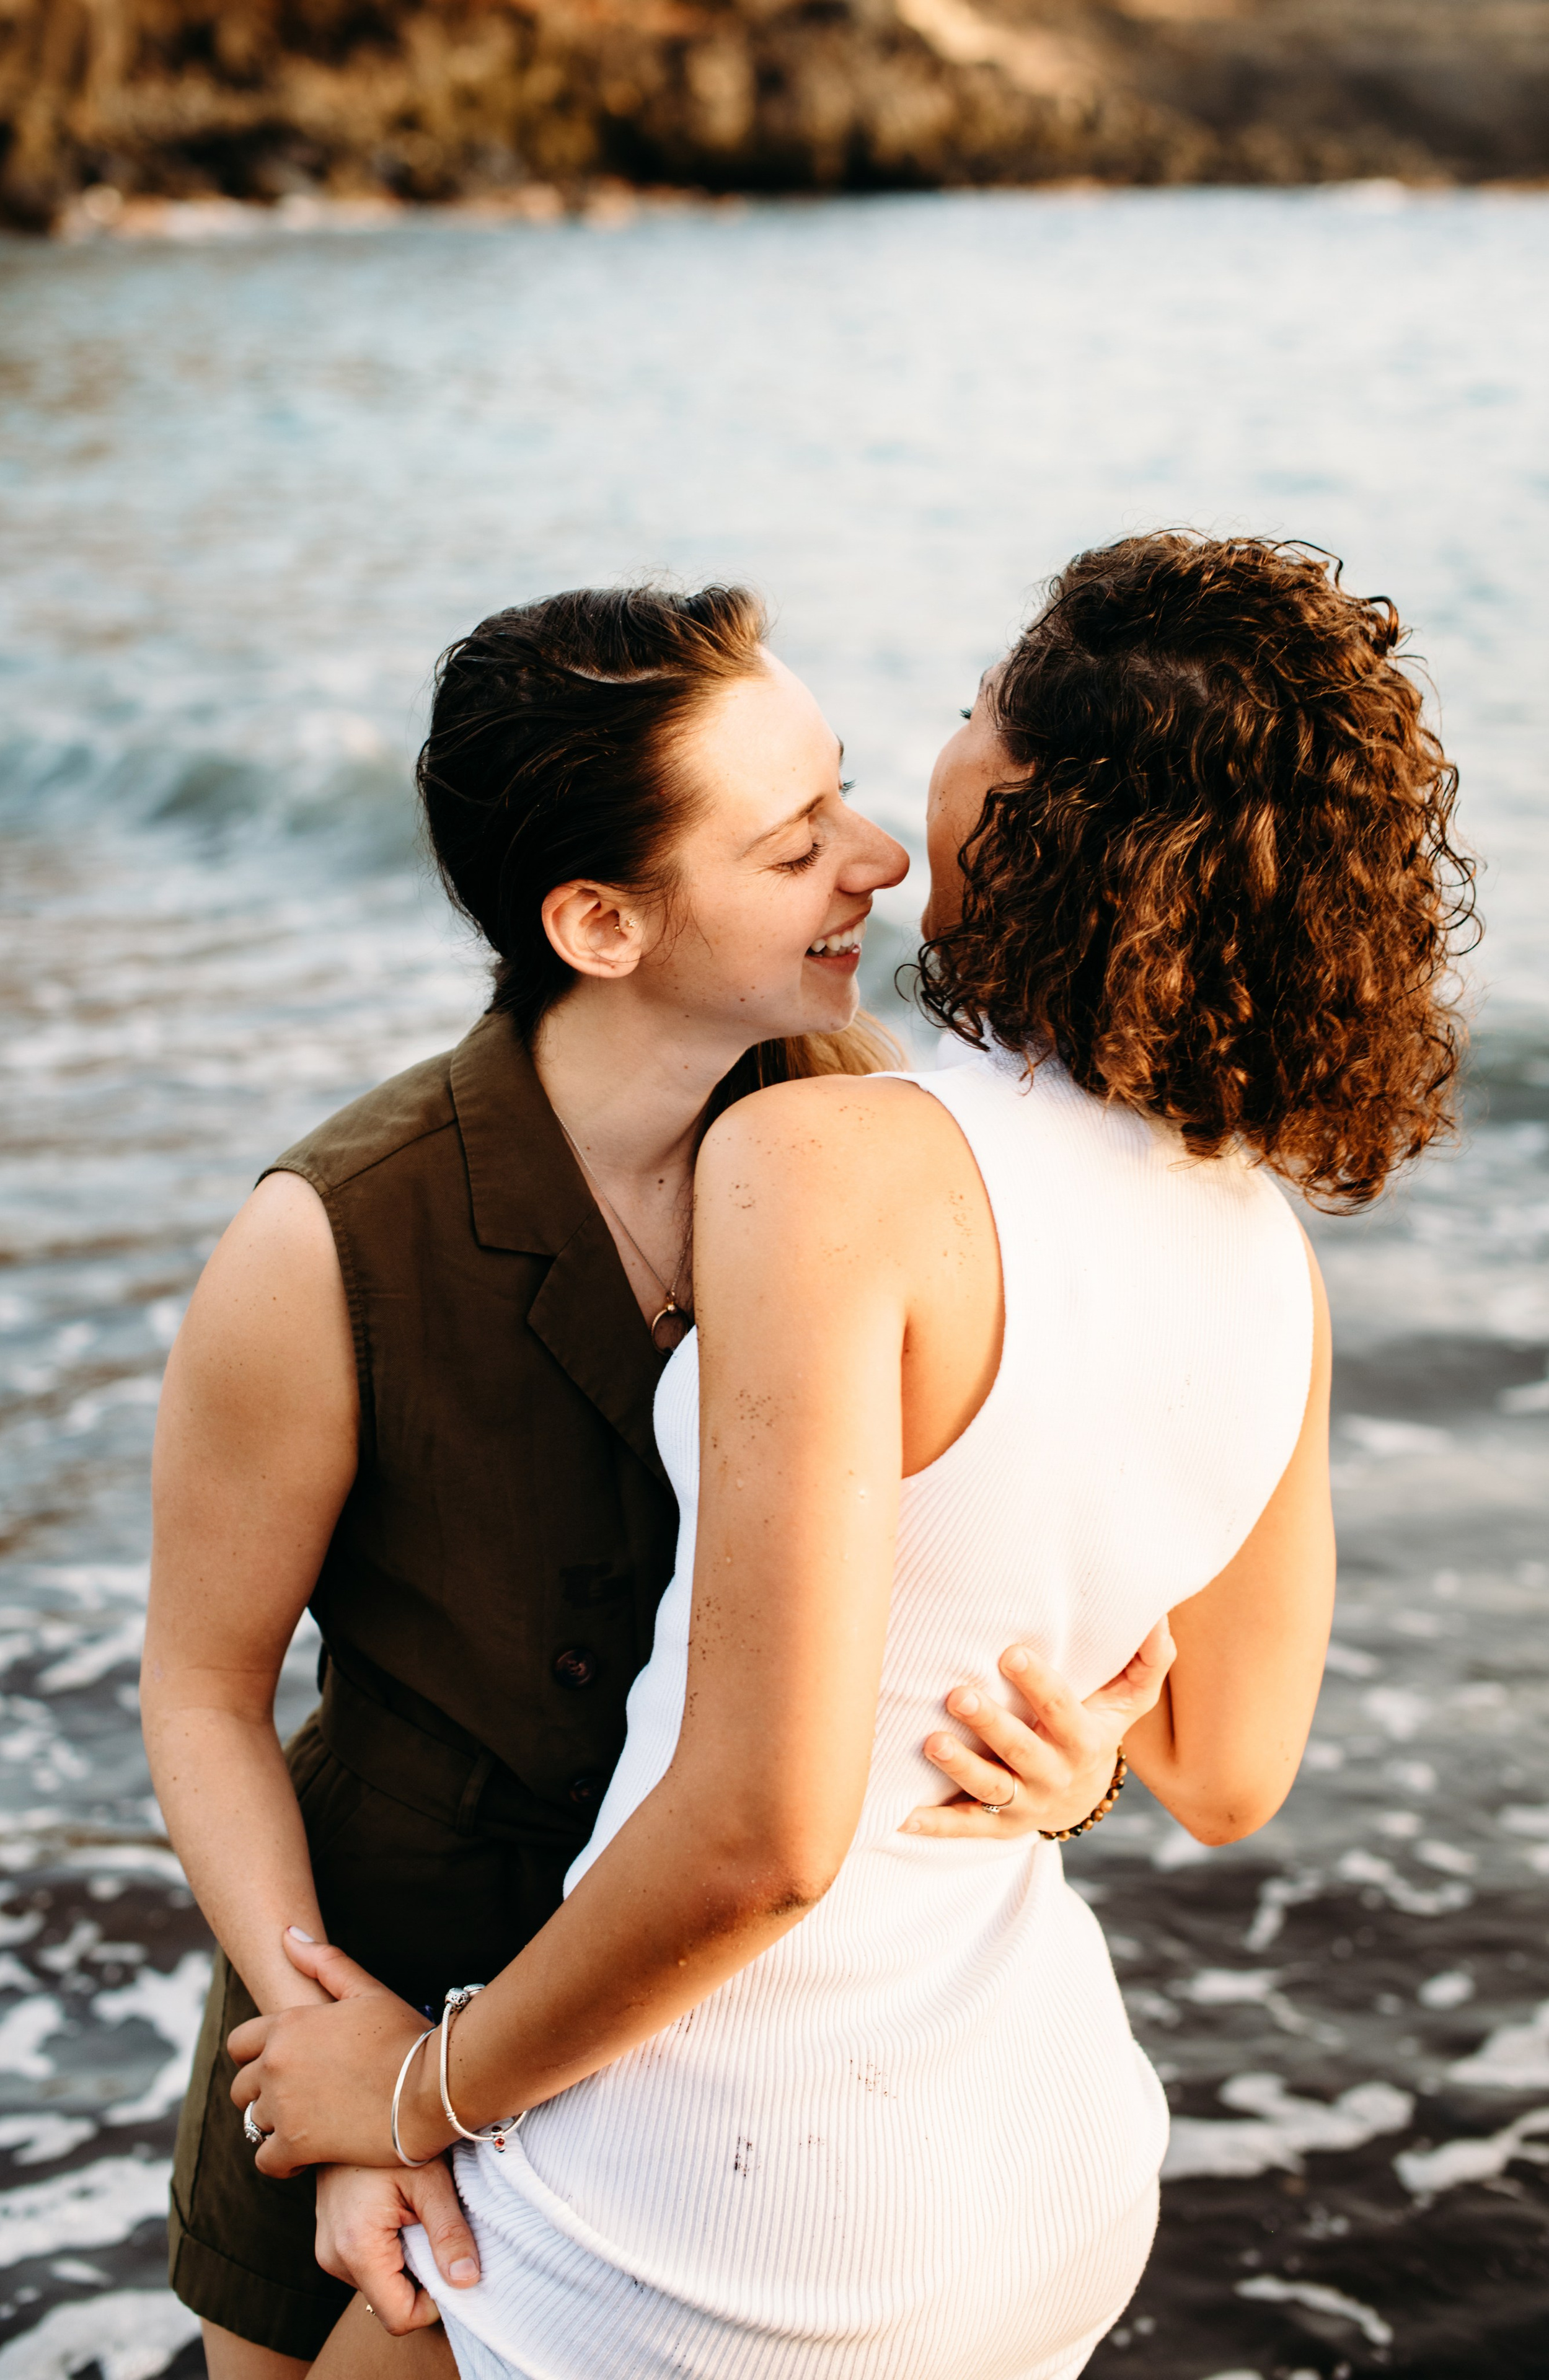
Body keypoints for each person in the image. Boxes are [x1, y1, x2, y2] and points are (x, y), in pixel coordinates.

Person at [229, 532, 1473, 2379]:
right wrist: (1082, 1762)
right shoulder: (1257, 1236)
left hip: (734, 2184)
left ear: (1052, 810)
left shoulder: (834, 1165)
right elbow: (1230, 1767)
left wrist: (418, 2089)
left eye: (974, 717)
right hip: (1039, 2164)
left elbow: (761, 1841)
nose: (902, 817)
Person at [145, 584, 1146, 2378]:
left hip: (729, 2081)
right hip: (379, 1973)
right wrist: (338, 2055)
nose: (882, 860)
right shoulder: (329, 1242)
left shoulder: (890, 1154)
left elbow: (994, 1584)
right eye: (792, 847)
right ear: (600, 921)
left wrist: (1081, 1764)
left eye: (846, 789)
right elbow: (203, 1685)